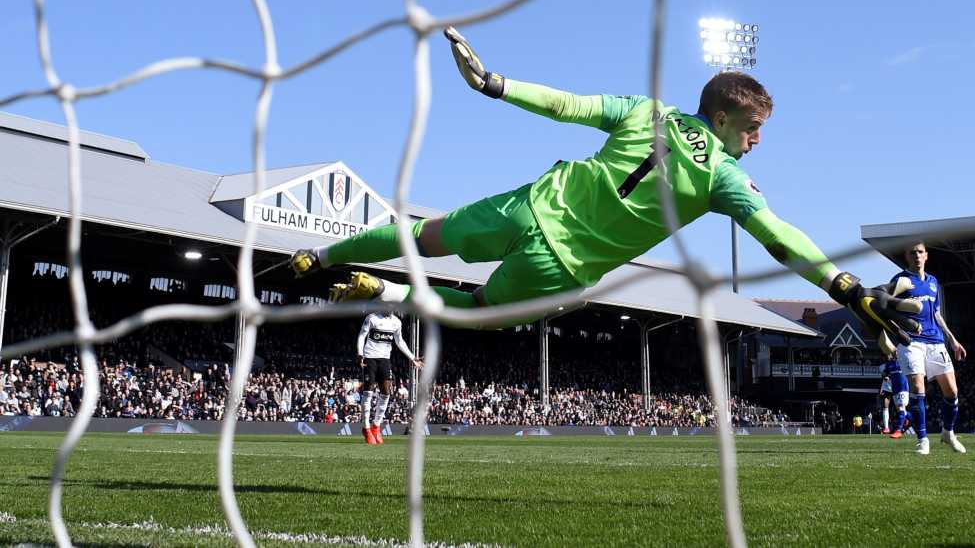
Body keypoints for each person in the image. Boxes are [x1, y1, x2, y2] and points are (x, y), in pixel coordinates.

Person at [291, 28, 919, 348]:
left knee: (423, 234)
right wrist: (846, 286)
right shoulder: (724, 177)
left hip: (528, 206)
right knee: (480, 318)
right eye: (753, 130)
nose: (756, 141)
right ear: (723, 119)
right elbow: (779, 239)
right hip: (560, 266)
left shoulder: (642, 109)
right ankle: (395, 294)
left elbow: (566, 104)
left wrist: (494, 84)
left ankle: (322, 255)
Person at [888, 242, 967, 456]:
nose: (917, 256)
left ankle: (948, 433)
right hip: (911, 341)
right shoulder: (901, 280)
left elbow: (937, 315)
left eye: (920, 252)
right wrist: (893, 336)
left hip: (936, 341)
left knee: (952, 391)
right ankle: (922, 440)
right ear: (906, 256)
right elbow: (886, 308)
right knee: (917, 387)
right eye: (912, 252)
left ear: (926, 256)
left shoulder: (933, 282)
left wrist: (953, 340)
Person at [356, 310, 422, 445]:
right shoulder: (372, 318)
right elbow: (362, 336)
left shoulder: (396, 322)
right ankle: (366, 428)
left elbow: (399, 340)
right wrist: (360, 353)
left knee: (386, 392)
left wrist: (412, 357)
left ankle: (376, 426)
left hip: (385, 359)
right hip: (370, 357)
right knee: (368, 391)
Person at [878, 342, 910, 438]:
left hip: (903, 388)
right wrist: (885, 376)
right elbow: (884, 373)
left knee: (901, 407)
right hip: (894, 389)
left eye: (896, 351)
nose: (895, 353)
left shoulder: (904, 361)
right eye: (894, 352)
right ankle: (913, 419)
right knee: (901, 410)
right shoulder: (890, 364)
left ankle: (898, 430)